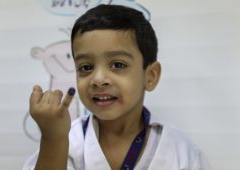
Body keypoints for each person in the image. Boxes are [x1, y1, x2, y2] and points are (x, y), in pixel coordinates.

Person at [23, 4, 211, 170]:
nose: (98, 79)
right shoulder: (66, 142)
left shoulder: (182, 153)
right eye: (86, 67)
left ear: (150, 76)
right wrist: (53, 138)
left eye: (118, 65)